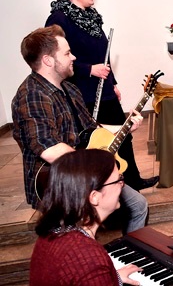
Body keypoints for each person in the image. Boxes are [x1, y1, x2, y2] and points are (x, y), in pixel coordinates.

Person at [11, 25, 148, 233]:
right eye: (67, 53)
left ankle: (129, 256)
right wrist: (96, 171)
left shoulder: (69, 87)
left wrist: (124, 127)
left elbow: (93, 129)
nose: (73, 57)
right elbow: (50, 151)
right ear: (48, 60)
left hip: (83, 175)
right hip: (58, 185)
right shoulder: (32, 95)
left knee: (138, 206)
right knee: (76, 237)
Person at [44, 0, 158, 191]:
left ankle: (132, 180)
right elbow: (56, 60)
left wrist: (112, 83)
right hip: (81, 93)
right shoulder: (58, 19)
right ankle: (100, 185)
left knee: (123, 134)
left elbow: (103, 55)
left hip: (103, 89)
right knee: (95, 141)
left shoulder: (92, 17)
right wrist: (89, 70)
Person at [29, 149, 142, 285]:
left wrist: (112, 278)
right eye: (118, 180)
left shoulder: (52, 233)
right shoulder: (88, 257)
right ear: (94, 197)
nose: (121, 185)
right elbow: (84, 268)